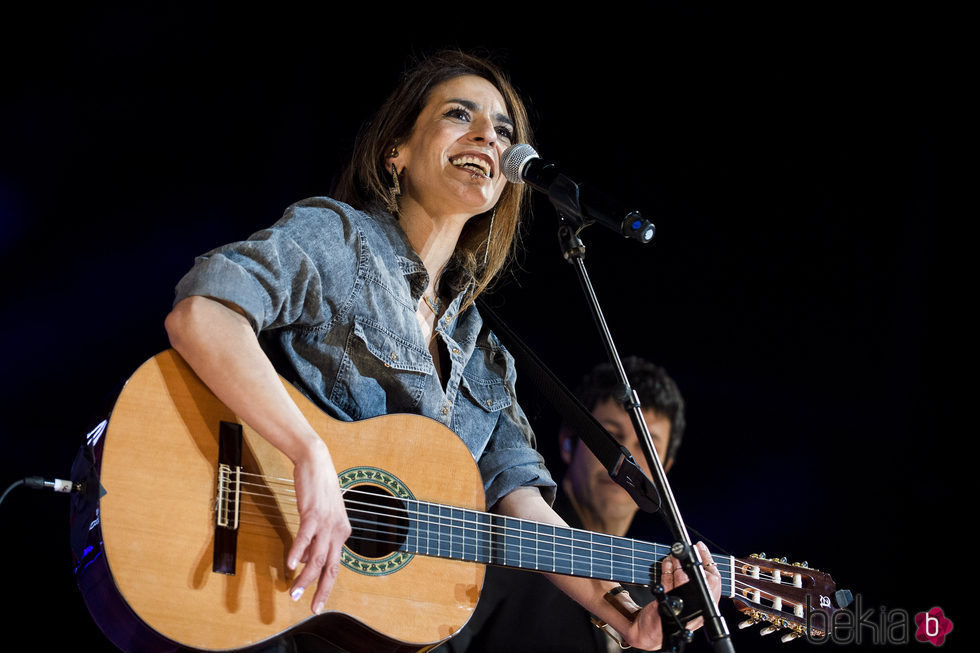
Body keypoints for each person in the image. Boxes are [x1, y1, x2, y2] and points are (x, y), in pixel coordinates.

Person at [165, 49, 720, 652]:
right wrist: (309, 453)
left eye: (504, 131)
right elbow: (204, 313)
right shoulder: (340, 239)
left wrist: (624, 615)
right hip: (253, 568)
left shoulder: (484, 351)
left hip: (347, 625)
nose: (490, 136)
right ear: (394, 152)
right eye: (462, 115)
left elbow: (522, 508)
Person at [443, 357, 690, 653]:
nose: (630, 462)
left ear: (666, 468)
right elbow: (437, 640)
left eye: (646, 446)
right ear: (568, 441)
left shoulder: (650, 597)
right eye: (613, 438)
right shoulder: (517, 533)